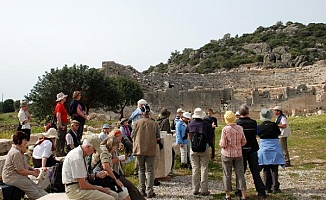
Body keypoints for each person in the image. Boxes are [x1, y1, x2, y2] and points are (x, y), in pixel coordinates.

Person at [62, 135, 118, 200]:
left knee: (115, 195)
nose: (95, 152)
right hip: (75, 190)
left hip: (80, 185)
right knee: (110, 199)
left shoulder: (83, 155)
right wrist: (101, 189)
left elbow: (83, 177)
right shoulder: (77, 158)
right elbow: (83, 185)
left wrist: (95, 175)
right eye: (94, 150)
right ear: (88, 147)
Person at [2, 131, 48, 199]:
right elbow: (20, 170)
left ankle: (48, 197)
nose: (26, 142)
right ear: (18, 140)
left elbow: (23, 164)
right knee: (31, 188)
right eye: (24, 140)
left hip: (16, 176)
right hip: (11, 177)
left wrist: (32, 169)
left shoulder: (18, 151)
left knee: (36, 186)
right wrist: (32, 173)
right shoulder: (16, 153)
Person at [236, 104, 266, 199]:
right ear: (248, 112)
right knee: (255, 171)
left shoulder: (237, 124)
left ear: (239, 113)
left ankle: (239, 191)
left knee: (241, 172)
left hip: (241, 150)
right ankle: (261, 192)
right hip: (252, 149)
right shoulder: (253, 122)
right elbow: (256, 133)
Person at [88, 136, 131, 200]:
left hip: (102, 174)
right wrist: (115, 180)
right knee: (123, 193)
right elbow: (106, 166)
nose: (116, 149)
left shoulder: (102, 148)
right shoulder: (104, 151)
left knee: (122, 192)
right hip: (102, 176)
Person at [132, 104, 160, 198]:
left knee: (141, 169)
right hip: (150, 149)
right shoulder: (155, 124)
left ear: (142, 113)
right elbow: (158, 137)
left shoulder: (136, 123)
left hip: (139, 148)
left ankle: (141, 190)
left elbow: (132, 135)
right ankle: (150, 191)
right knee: (150, 170)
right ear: (149, 113)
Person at [111, 130, 146, 200]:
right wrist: (119, 158)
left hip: (118, 172)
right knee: (131, 189)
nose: (120, 139)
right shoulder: (110, 148)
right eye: (119, 137)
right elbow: (107, 163)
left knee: (132, 189)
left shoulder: (116, 147)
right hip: (113, 174)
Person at [220, 111, 247, 200]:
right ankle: (243, 195)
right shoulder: (240, 128)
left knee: (227, 174)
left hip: (227, 154)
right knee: (240, 174)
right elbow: (244, 141)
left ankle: (228, 195)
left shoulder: (225, 129)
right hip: (238, 153)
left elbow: (223, 144)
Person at [187, 108, 213, 196]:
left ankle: (195, 189)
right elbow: (210, 136)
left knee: (195, 168)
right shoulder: (206, 125)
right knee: (204, 168)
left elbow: (186, 134)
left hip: (193, 148)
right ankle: (204, 190)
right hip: (204, 148)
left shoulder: (190, 125)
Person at [258, 108, 285, 194]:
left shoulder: (259, 126)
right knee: (274, 168)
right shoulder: (274, 125)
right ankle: (275, 187)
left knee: (265, 168)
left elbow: (258, 134)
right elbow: (278, 133)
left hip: (264, 148)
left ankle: (267, 187)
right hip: (274, 147)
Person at [55, 92, 69, 156]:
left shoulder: (61, 105)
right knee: (59, 137)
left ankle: (62, 151)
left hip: (64, 122)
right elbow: (58, 115)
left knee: (63, 137)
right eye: (64, 97)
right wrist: (60, 125)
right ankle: (58, 152)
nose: (65, 98)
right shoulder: (59, 106)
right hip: (62, 123)